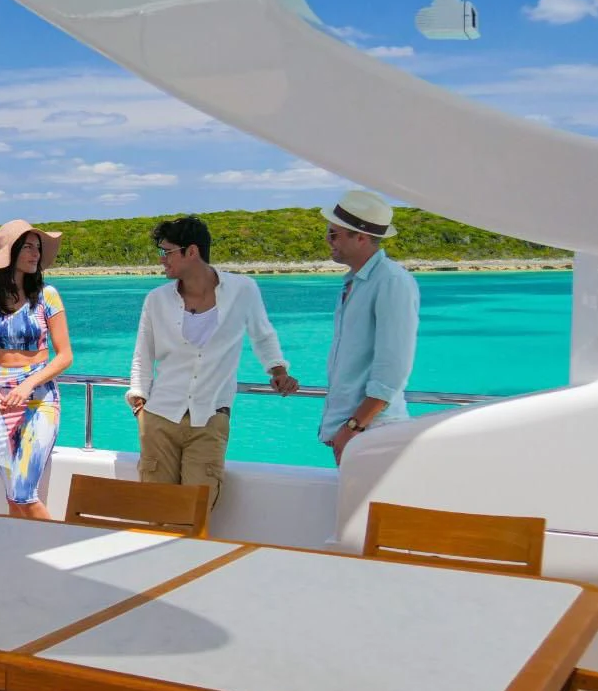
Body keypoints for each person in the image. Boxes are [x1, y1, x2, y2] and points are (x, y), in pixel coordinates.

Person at [126, 215, 297, 508]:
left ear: (191, 252)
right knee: (156, 510)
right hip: (159, 419)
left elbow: (263, 335)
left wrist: (278, 371)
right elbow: (143, 354)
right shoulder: (156, 299)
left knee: (197, 511)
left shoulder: (242, 290)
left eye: (167, 252)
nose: (162, 260)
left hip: (210, 419)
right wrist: (140, 405)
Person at [0, 219, 74, 520]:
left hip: (39, 399)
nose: (35, 253)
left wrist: (27, 385)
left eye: (37, 247)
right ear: (10, 253)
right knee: (12, 499)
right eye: (27, 246)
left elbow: (64, 356)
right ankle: (22, 561)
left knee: (24, 494)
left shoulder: (47, 296)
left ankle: (60, 559)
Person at [318, 190, 420, 463]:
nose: (328, 240)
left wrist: (354, 427)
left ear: (360, 237)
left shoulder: (391, 281)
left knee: (364, 507)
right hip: (359, 430)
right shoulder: (356, 281)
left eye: (333, 234)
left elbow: (392, 369)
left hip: (373, 430)